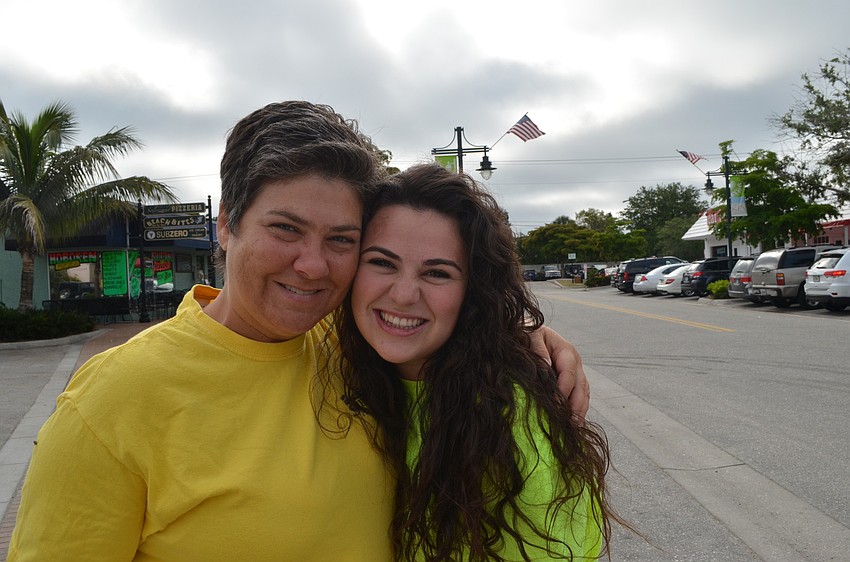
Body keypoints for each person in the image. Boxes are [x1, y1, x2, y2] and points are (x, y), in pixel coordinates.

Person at [8, 101, 588, 561]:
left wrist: (522, 336)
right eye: (285, 229)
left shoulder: (353, 345)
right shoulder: (113, 401)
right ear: (226, 226)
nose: (313, 265)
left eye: (341, 240)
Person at [335, 163, 619, 561]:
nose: (402, 295)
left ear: (473, 292)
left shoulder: (509, 418)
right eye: (382, 262)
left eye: (437, 272)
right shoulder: (343, 364)